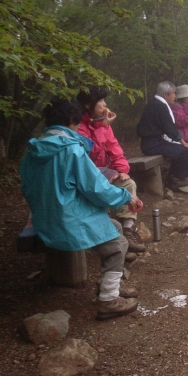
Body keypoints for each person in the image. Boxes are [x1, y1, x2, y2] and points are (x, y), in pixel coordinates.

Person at [20, 98, 143, 320]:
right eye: (77, 121)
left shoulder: (34, 150)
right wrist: (126, 197)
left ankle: (109, 284)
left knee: (113, 225)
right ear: (71, 120)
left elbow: (27, 188)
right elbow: (95, 188)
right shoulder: (71, 149)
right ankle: (108, 300)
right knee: (118, 244)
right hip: (66, 220)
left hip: (44, 218)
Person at [76, 87, 146, 257]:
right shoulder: (78, 125)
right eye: (100, 101)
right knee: (100, 195)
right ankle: (111, 240)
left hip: (104, 175)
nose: (105, 104)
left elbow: (115, 149)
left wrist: (122, 170)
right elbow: (85, 154)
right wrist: (102, 127)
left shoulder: (102, 123)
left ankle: (127, 232)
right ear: (87, 105)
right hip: (85, 178)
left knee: (128, 183)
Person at [136, 81, 188, 188]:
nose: (175, 96)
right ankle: (176, 178)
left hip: (153, 142)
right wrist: (183, 142)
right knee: (185, 151)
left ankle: (174, 176)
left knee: (181, 150)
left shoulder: (154, 104)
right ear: (165, 94)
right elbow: (169, 127)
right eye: (173, 93)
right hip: (152, 145)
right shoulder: (159, 106)